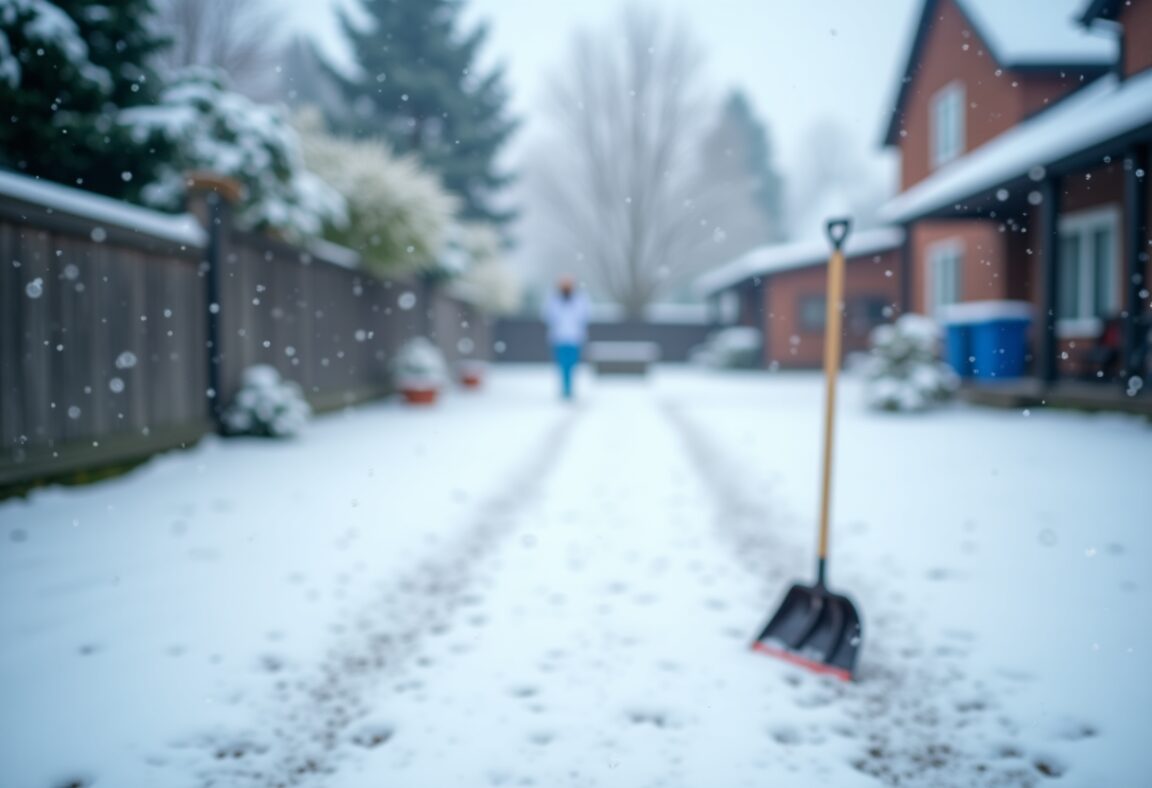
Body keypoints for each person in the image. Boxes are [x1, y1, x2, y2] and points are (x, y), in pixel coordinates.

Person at [542, 275, 588, 400]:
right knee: (562, 366)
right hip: (560, 338)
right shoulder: (554, 300)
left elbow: (584, 315)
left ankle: (569, 388)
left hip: (574, 338)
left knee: (572, 365)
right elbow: (548, 315)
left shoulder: (579, 300)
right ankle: (565, 389)